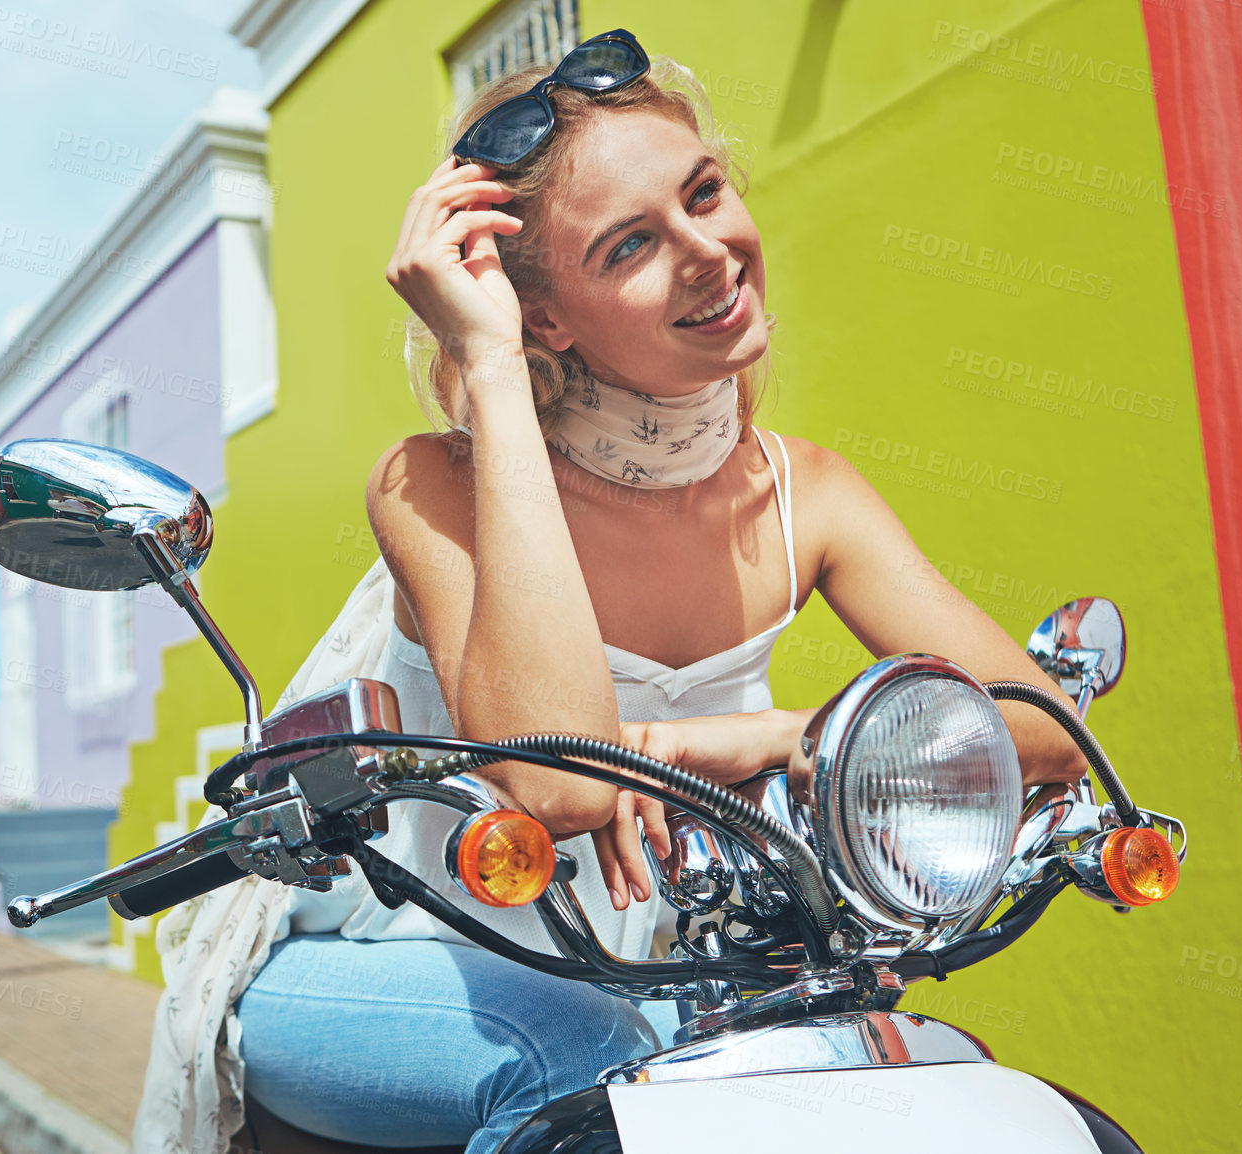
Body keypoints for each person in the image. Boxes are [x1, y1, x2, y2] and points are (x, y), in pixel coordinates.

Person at [177, 29, 1088, 1154]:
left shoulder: (809, 493)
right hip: (394, 956)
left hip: (656, 970)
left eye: (704, 193)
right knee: (580, 1058)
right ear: (544, 316)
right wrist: (494, 368)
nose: (709, 250)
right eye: (629, 248)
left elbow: (1039, 735)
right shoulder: (435, 483)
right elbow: (551, 776)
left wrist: (741, 738)